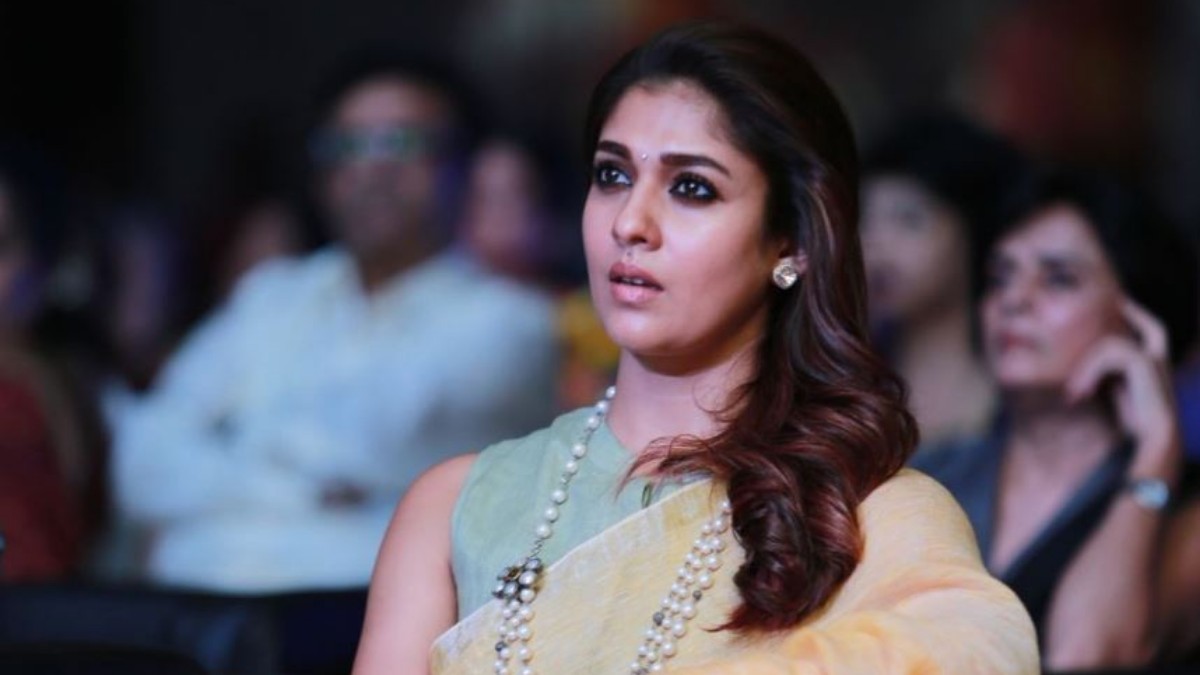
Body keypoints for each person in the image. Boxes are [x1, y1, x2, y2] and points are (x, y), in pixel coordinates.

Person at [354, 22, 1037, 674]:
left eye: (692, 188)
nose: (631, 222)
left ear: (792, 242)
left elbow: (979, 651)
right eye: (612, 175)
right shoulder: (455, 505)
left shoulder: (862, 511)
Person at [108, 53, 560, 593]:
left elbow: (371, 446)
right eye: (348, 146)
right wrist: (311, 492)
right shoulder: (271, 296)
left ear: (464, 168)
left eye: (403, 142)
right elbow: (142, 458)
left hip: (372, 620)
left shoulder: (512, 323)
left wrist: (230, 456)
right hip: (202, 617)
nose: (373, 167)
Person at [913, 169, 1199, 669]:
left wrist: (1156, 456)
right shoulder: (932, 474)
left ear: (1139, 317)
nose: (1014, 300)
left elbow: (1083, 655)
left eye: (1059, 279)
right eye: (999, 278)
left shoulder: (1182, 509)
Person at [860, 113, 1024, 453]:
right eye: (864, 220)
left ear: (972, 228)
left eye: (909, 220)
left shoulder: (1021, 383)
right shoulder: (845, 373)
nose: (876, 244)